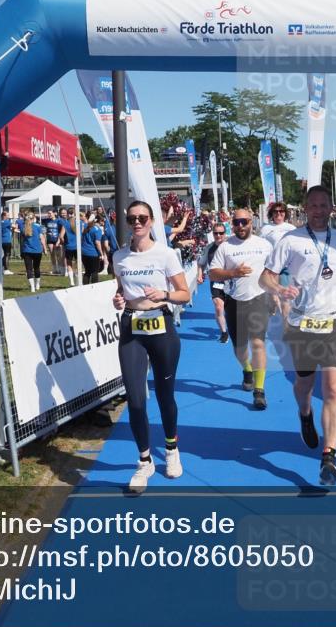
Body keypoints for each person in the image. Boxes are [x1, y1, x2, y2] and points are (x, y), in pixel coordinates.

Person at [260, 186, 336, 486]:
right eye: (314, 205)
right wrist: (280, 289)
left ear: (332, 207)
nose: (319, 210)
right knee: (304, 384)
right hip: (302, 322)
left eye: (324, 205)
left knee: (334, 389)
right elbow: (264, 276)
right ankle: (305, 413)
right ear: (304, 209)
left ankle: (328, 456)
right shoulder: (290, 240)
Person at [112, 201, 191, 494]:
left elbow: (185, 293)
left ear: (152, 220)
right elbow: (120, 290)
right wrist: (118, 300)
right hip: (132, 327)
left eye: (142, 218)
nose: (137, 222)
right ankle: (144, 461)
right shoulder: (119, 256)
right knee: (134, 399)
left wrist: (165, 294)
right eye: (132, 218)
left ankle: (171, 449)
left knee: (164, 395)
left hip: (161, 327)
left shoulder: (166, 254)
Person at [210, 210, 274, 409]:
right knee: (239, 349)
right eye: (236, 222)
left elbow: (274, 270)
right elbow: (213, 273)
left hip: (258, 299)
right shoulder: (225, 247)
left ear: (251, 223)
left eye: (244, 222)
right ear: (232, 224)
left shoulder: (264, 245)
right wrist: (232, 273)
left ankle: (260, 390)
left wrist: (274, 295)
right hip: (234, 301)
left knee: (258, 344)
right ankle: (247, 369)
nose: (240, 226)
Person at [259, 202, 296, 320]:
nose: (279, 214)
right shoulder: (266, 229)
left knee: (285, 298)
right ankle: (272, 306)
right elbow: (259, 246)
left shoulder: (291, 228)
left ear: (285, 213)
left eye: (281, 211)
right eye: (276, 212)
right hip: (271, 267)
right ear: (272, 214)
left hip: (286, 267)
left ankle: (286, 325)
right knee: (274, 298)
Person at [197, 223, 229, 342]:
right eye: (216, 233)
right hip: (216, 281)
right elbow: (201, 263)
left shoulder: (231, 246)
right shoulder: (209, 248)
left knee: (233, 309)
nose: (218, 235)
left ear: (225, 234)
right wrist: (200, 275)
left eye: (221, 233)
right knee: (219, 307)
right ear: (213, 234)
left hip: (232, 282)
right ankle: (224, 332)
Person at [18, 211, 47, 293]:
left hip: (27, 250)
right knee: (37, 268)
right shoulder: (38, 227)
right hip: (37, 250)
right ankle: (37, 284)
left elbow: (22, 238)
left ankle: (32, 287)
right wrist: (45, 248)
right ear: (34, 218)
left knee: (29, 269)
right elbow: (42, 238)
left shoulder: (22, 227)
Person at [80, 214, 105, 285]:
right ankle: (94, 287)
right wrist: (101, 253)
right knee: (94, 271)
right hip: (93, 253)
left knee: (87, 271)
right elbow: (97, 242)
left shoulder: (85, 227)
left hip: (84, 252)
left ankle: (85, 286)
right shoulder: (97, 230)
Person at [62, 210, 79, 286]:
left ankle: (71, 282)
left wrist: (64, 242)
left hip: (68, 247)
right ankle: (77, 280)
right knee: (78, 264)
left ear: (68, 215)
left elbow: (61, 236)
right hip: (77, 246)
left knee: (69, 264)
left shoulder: (65, 224)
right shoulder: (79, 223)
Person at [44, 210, 61, 275]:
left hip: (57, 239)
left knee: (58, 255)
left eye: (50, 213)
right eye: (48, 213)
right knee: (52, 254)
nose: (49, 214)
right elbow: (45, 231)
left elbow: (60, 231)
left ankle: (60, 268)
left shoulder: (58, 221)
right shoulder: (46, 221)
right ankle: (54, 269)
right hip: (50, 239)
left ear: (54, 213)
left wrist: (59, 240)